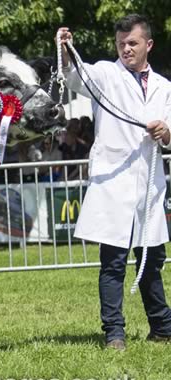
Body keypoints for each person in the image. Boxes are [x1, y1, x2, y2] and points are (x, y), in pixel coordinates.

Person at [58, 14, 171, 351]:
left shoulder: (166, 87)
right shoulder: (106, 74)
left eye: (133, 43)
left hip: (149, 187)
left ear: (148, 44)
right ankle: (114, 334)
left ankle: (163, 327)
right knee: (114, 264)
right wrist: (65, 49)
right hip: (114, 184)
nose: (126, 49)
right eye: (121, 43)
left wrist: (167, 132)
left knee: (152, 261)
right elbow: (75, 76)